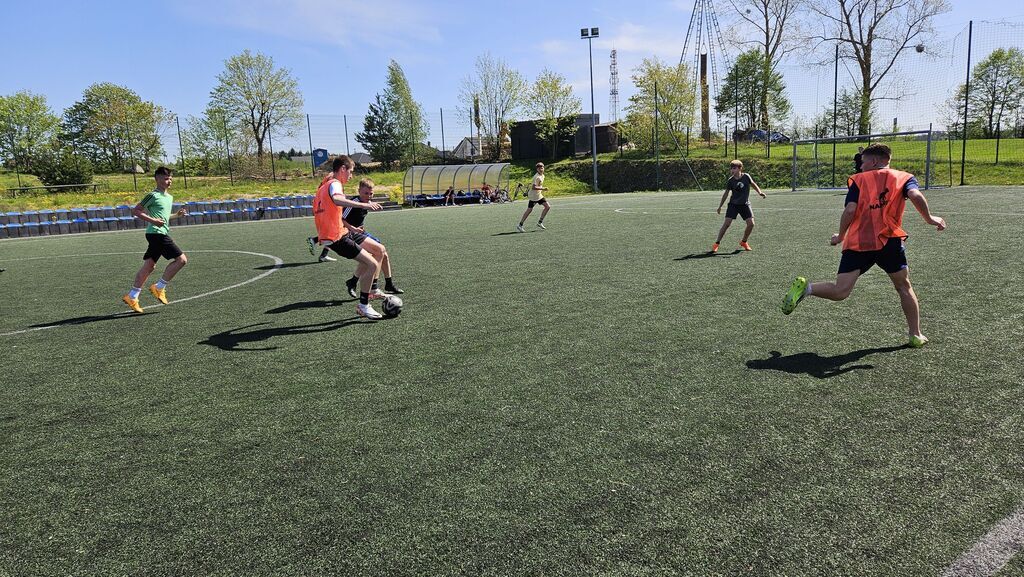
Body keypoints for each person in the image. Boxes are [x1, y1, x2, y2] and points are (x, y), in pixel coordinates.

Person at [781, 143, 947, 348]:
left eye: (863, 162)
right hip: (889, 242)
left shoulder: (858, 180)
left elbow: (850, 210)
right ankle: (915, 334)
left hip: (859, 242)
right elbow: (915, 196)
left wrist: (841, 236)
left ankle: (807, 288)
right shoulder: (904, 177)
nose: (860, 167)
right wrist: (930, 218)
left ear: (875, 161)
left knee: (841, 291)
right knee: (903, 287)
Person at [312, 156, 386, 319]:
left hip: (337, 235)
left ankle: (361, 288)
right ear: (343, 169)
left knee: (372, 257)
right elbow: (337, 199)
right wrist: (363, 204)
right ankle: (364, 305)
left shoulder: (325, 184)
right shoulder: (335, 184)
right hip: (337, 237)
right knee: (372, 264)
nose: (351, 176)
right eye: (350, 172)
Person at [122, 167, 189, 313]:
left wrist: (176, 215)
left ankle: (132, 296)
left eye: (170, 178)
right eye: (166, 178)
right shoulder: (152, 195)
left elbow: (163, 218)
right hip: (156, 233)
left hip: (158, 232)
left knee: (149, 266)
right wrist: (153, 221)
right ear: (157, 179)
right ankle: (159, 287)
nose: (169, 181)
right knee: (182, 260)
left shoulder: (169, 197)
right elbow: (136, 210)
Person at [341, 178, 404, 299]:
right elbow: (341, 219)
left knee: (383, 254)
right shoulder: (353, 203)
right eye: (366, 193)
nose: (369, 196)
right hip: (350, 234)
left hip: (360, 232)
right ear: (359, 191)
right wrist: (353, 228)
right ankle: (372, 287)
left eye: (371, 193)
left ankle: (388, 284)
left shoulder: (367, 202)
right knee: (378, 251)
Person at [712, 159, 766, 252]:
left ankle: (744, 242)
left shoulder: (746, 177)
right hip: (733, 205)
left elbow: (753, 184)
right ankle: (716, 243)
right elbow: (726, 194)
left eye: (734, 168)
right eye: (731, 168)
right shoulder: (731, 180)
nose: (732, 170)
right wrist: (720, 206)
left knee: (751, 224)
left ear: (740, 168)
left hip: (745, 204)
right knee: (727, 224)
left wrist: (760, 192)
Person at [516, 162, 550, 232]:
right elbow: (534, 187)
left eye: (542, 168)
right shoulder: (536, 177)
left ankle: (539, 222)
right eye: (539, 168)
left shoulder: (542, 175)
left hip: (538, 195)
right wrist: (543, 189)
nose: (541, 169)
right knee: (529, 210)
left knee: (547, 207)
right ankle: (520, 225)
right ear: (537, 169)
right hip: (534, 196)